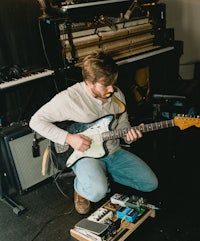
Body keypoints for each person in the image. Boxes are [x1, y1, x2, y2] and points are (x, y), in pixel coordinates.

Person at [29, 50, 158, 214]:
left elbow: (123, 127)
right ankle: (82, 187)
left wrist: (130, 136)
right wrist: (69, 138)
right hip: (86, 154)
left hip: (113, 151)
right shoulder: (70, 98)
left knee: (150, 184)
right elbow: (36, 121)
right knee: (97, 193)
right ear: (89, 83)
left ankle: (101, 176)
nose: (112, 89)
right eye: (105, 85)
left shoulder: (117, 94)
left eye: (113, 82)